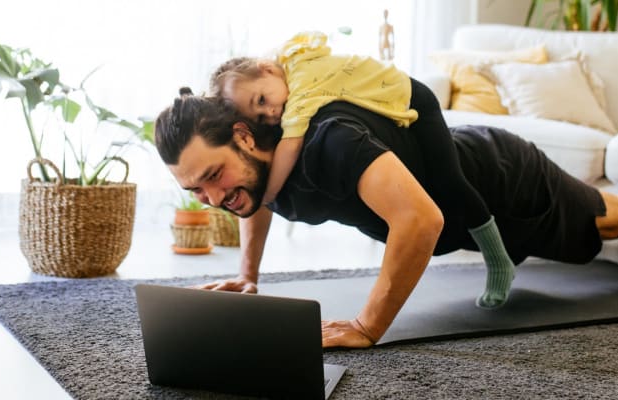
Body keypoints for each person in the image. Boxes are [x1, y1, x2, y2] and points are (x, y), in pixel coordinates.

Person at [152, 90, 618, 349]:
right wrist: (250, 275)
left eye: (213, 176)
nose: (210, 196)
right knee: (594, 230)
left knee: (602, 221)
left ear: (246, 138)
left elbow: (421, 220)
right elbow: (254, 202)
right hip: (468, 204)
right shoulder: (257, 172)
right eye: (194, 188)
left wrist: (368, 325)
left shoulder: (328, 143)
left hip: (498, 176)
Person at [209, 31, 519, 310]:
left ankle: (498, 261)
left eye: (263, 100)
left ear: (266, 68)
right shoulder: (278, 71)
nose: (271, 113)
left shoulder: (302, 85)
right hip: (381, 102)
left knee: (451, 183)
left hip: (415, 99)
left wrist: (267, 194)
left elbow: (290, 145)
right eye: (259, 115)